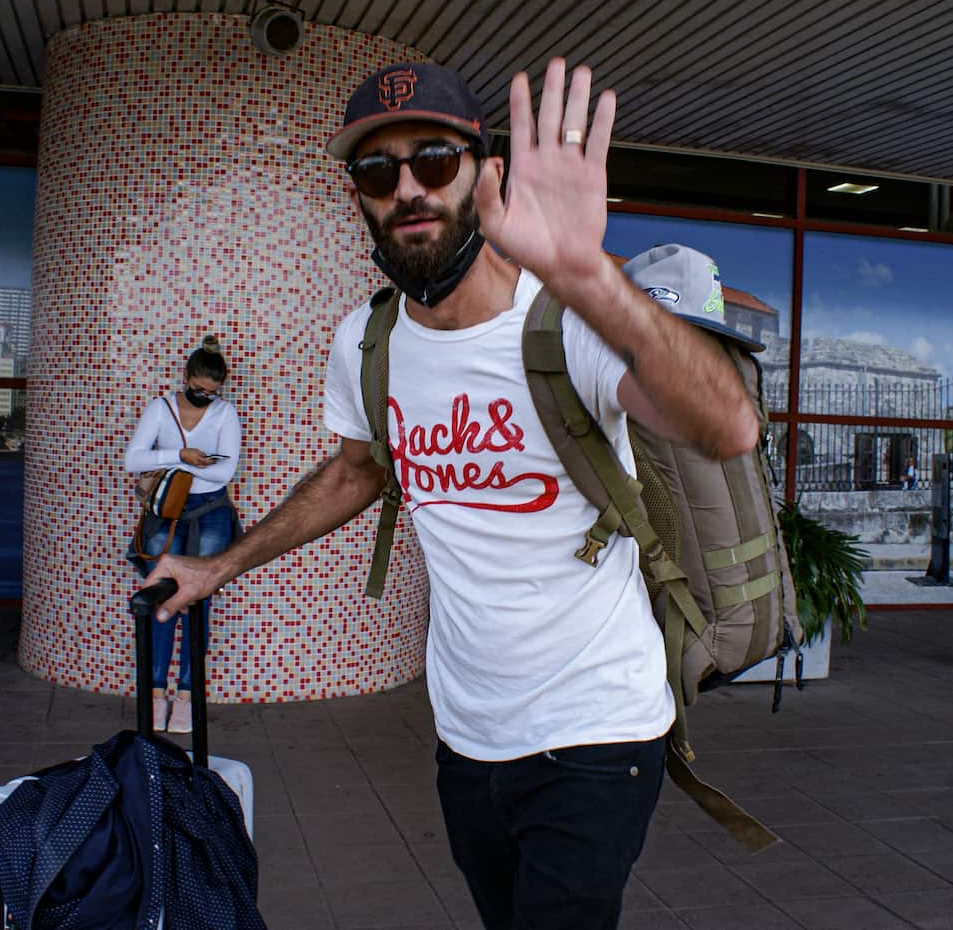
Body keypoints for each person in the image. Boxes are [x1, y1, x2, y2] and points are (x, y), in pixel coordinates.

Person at [145, 60, 758, 929]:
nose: (407, 188)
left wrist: (586, 271)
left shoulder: (566, 319)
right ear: (358, 197)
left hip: (598, 726)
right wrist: (221, 568)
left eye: (434, 159)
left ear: (487, 176)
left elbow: (725, 424)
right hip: (467, 735)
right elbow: (359, 472)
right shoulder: (368, 338)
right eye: (377, 170)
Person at [125, 334, 241, 735]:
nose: (204, 396)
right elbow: (132, 459)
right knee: (161, 599)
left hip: (210, 514)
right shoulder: (160, 408)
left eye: (212, 392)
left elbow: (225, 473)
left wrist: (174, 467)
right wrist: (182, 456)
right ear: (187, 377)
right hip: (168, 513)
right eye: (198, 388)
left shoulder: (225, 414)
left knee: (198, 602)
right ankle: (156, 697)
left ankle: (187, 698)